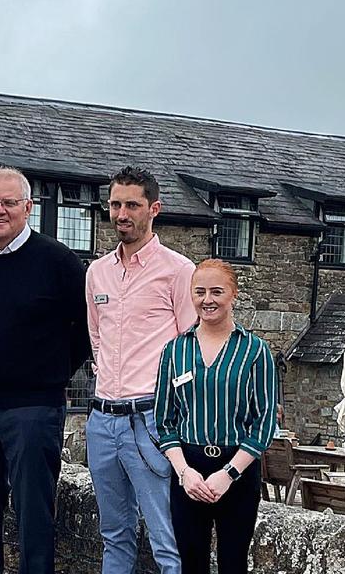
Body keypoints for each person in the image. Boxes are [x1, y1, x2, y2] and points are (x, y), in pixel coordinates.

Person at [0, 166, 90, 574]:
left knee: (33, 514)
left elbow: (85, 329)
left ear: (28, 207)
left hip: (35, 407)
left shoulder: (59, 260)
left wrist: (51, 374)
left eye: (9, 203)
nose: (0, 210)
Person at [85, 166, 196, 574]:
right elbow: (96, 338)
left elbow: (192, 349)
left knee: (167, 540)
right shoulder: (96, 272)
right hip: (101, 421)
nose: (122, 213)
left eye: (132, 204)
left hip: (150, 420)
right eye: (115, 204)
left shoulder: (179, 271)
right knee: (113, 535)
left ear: (155, 209)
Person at [155, 259, 277, 574]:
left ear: (233, 295)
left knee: (233, 563)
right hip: (189, 471)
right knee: (191, 564)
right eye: (200, 292)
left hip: (237, 470)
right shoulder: (174, 351)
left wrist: (228, 474)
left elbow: (263, 423)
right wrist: (184, 473)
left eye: (216, 292)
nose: (207, 300)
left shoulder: (255, 351)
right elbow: (164, 421)